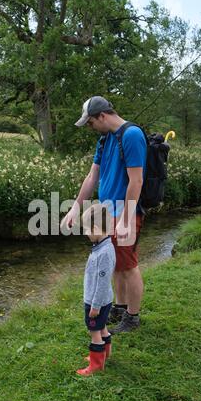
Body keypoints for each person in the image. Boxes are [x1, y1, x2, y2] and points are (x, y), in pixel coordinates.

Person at [62, 96, 147, 334]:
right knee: (116, 263)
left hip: (126, 213)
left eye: (90, 122)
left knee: (128, 266)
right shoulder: (105, 139)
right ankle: (119, 308)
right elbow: (92, 177)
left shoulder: (131, 135)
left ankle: (132, 317)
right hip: (108, 212)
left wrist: (126, 219)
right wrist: (76, 206)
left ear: (102, 116)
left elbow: (136, 180)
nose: (90, 127)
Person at [77, 204, 116, 376]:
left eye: (86, 230)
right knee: (102, 327)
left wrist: (95, 306)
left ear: (95, 228)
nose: (85, 234)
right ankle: (105, 353)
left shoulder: (103, 253)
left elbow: (102, 282)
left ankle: (96, 364)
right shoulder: (104, 246)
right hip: (103, 300)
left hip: (97, 301)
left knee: (94, 331)